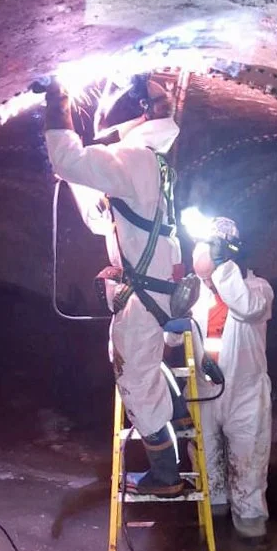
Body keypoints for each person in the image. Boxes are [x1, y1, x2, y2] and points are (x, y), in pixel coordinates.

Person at [44, 73, 188, 497]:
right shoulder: (150, 162)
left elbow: (66, 159)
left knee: (137, 384)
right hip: (155, 294)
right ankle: (177, 417)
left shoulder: (134, 158)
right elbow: (101, 219)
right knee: (147, 368)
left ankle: (166, 477)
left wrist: (58, 100)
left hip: (145, 301)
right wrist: (77, 177)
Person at [190, 218, 274, 544]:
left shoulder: (257, 288)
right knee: (207, 459)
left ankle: (250, 522)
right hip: (204, 390)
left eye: (211, 249)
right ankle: (215, 515)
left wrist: (222, 265)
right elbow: (171, 337)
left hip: (245, 392)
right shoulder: (194, 294)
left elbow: (245, 306)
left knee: (248, 459)